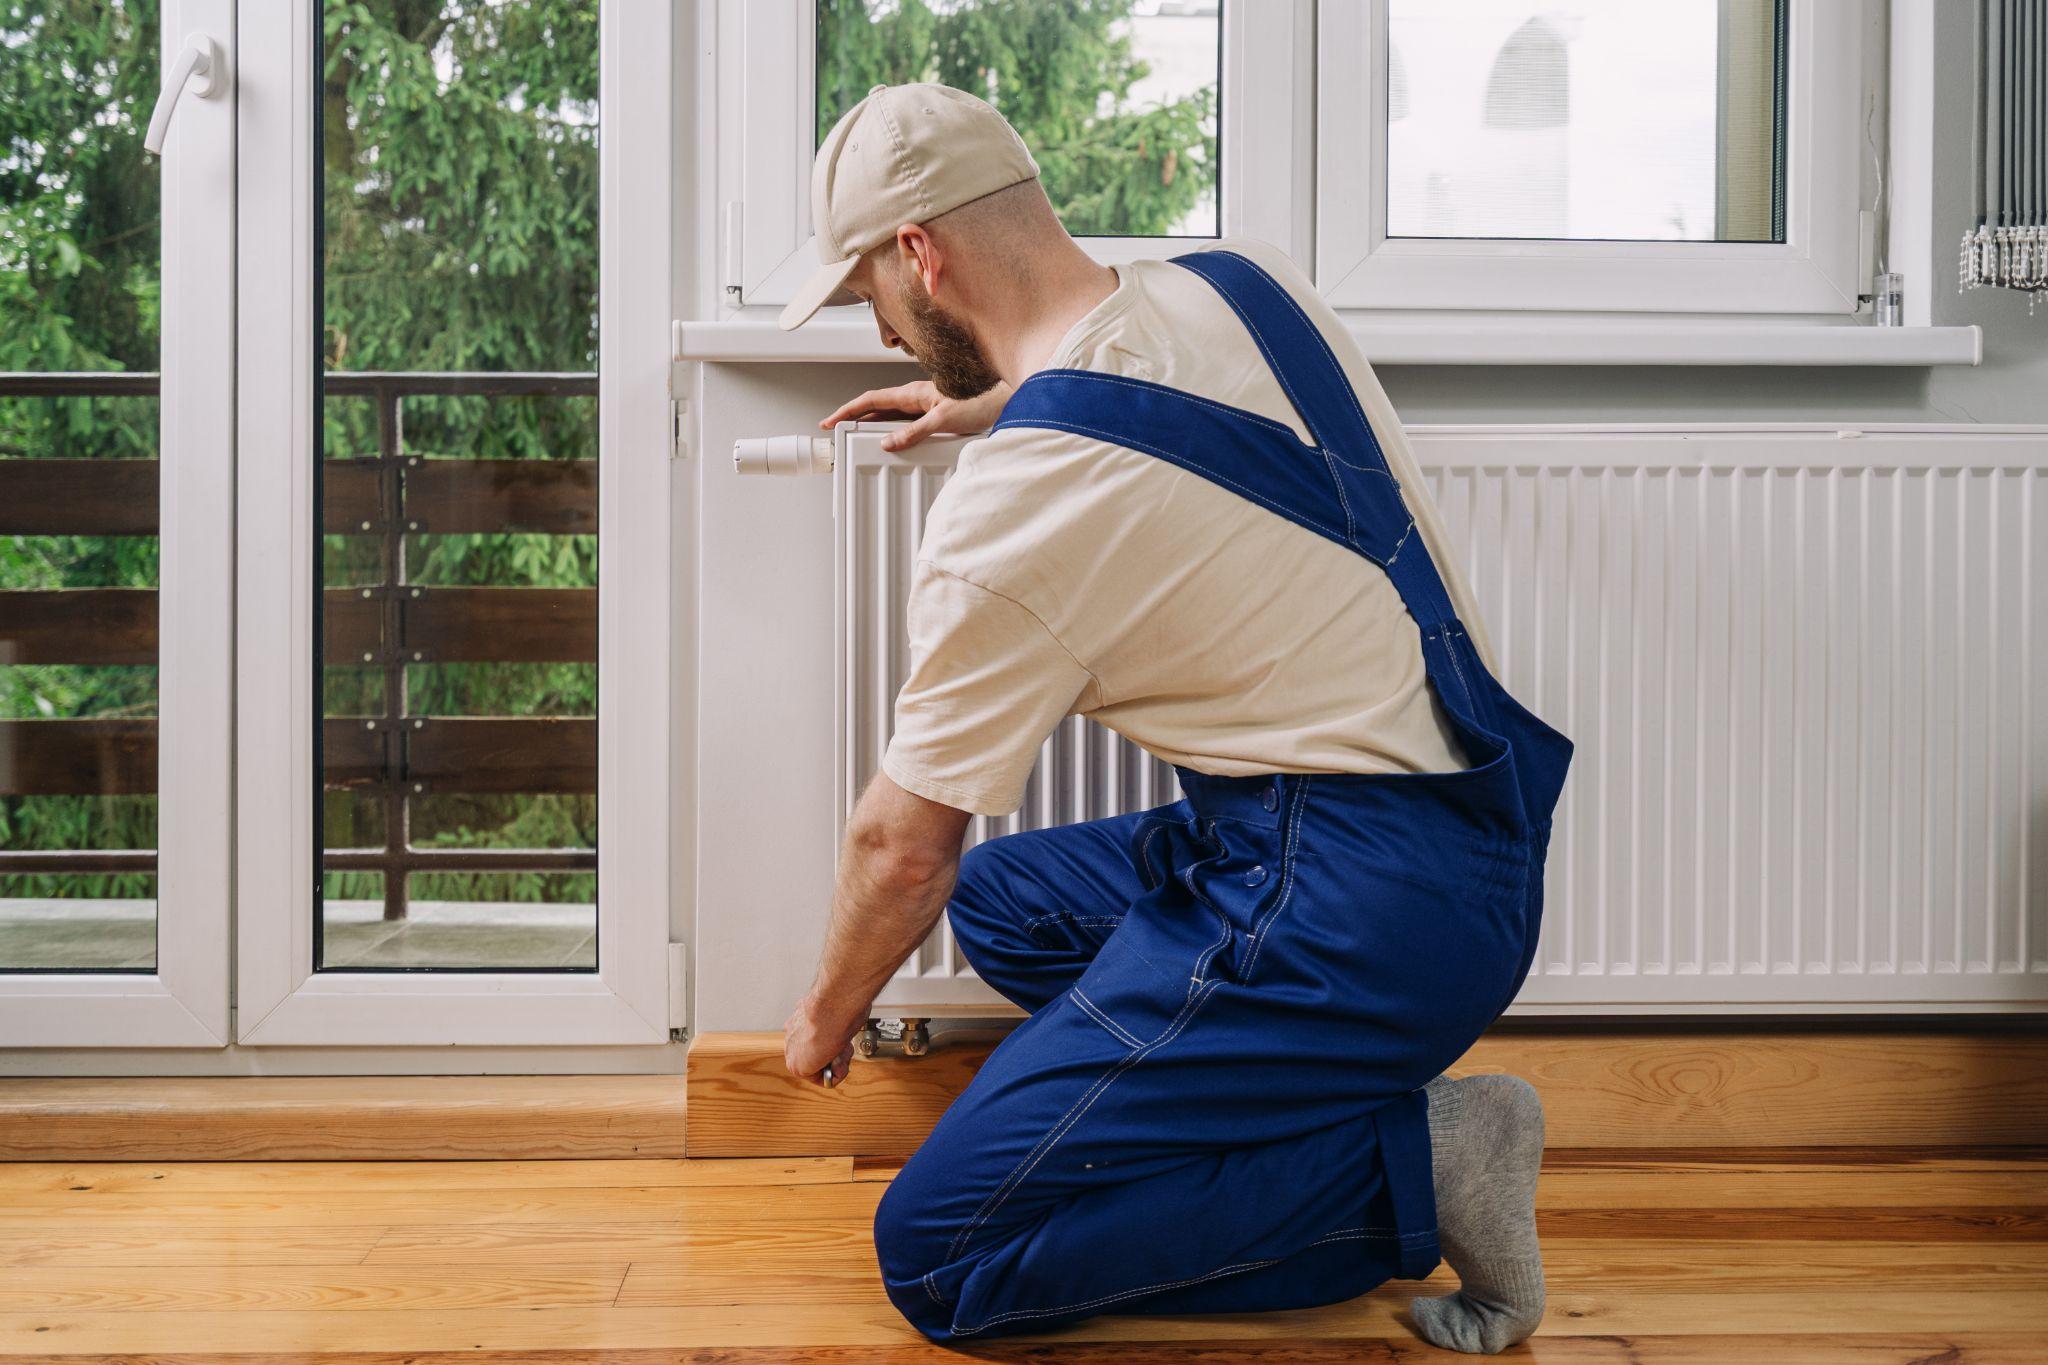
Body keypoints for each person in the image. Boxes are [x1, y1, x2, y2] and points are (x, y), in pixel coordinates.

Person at [778, 82, 1572, 1354]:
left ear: (920, 254)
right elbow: (1137, 379)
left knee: (939, 1259)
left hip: (1347, 910)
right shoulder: (1237, 283)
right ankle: (1252, 1085)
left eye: (865, 290)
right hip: (1466, 840)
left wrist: (822, 1016)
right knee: (1004, 904)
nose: (877, 330)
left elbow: (899, 849)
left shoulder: (1016, 512)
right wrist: (981, 403)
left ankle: (1423, 1156)